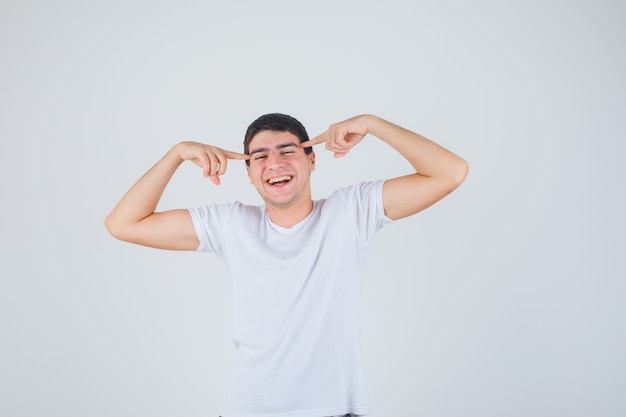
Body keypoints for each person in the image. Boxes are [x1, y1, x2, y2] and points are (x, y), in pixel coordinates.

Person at [105, 113, 468, 417]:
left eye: (287, 151)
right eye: (259, 157)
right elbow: (123, 224)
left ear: (312, 160)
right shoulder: (231, 224)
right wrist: (176, 154)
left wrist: (373, 124)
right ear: (248, 173)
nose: (274, 164)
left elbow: (450, 172)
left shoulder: (350, 212)